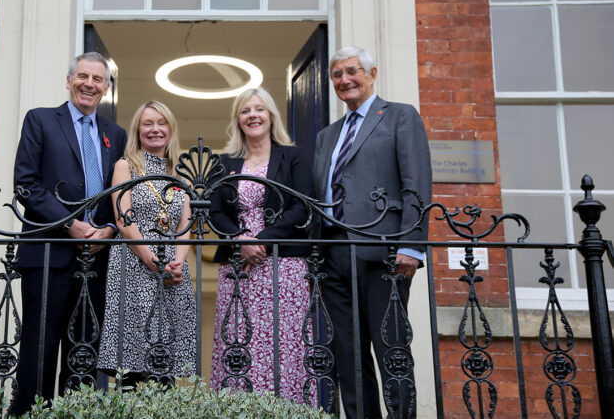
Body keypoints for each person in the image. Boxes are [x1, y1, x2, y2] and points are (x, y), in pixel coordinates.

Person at [313, 46, 431, 419]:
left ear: (371, 73)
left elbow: (416, 184)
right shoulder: (327, 135)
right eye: (336, 74)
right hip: (333, 256)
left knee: (391, 350)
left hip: (383, 253)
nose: (344, 80)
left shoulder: (399, 116)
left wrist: (412, 246)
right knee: (347, 356)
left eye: (352, 71)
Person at [11, 52, 128, 414]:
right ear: (69, 80)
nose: (89, 84)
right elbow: (26, 184)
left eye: (98, 79)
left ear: (106, 88)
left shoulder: (115, 134)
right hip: (48, 257)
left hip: (96, 261)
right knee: (39, 353)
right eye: (83, 76)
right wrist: (71, 223)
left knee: (85, 356)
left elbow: (117, 194)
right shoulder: (41, 120)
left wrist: (109, 229)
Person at [209, 87, 314, 404]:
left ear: (271, 116)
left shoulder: (293, 157)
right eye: (245, 110)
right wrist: (240, 240)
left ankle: (289, 408)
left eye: (259, 109)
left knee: (284, 343)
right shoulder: (224, 162)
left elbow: (301, 206)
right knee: (238, 340)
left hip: (285, 265)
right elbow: (213, 211)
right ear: (237, 120)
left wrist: (262, 241)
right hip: (238, 268)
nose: (252, 115)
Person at [98, 101, 196, 384]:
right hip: (134, 264)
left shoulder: (182, 171)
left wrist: (175, 263)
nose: (155, 129)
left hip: (172, 272)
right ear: (138, 131)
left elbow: (184, 226)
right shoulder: (125, 166)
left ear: (171, 128)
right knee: (129, 365)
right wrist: (152, 260)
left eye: (161, 123)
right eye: (147, 124)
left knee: (163, 364)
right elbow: (123, 220)